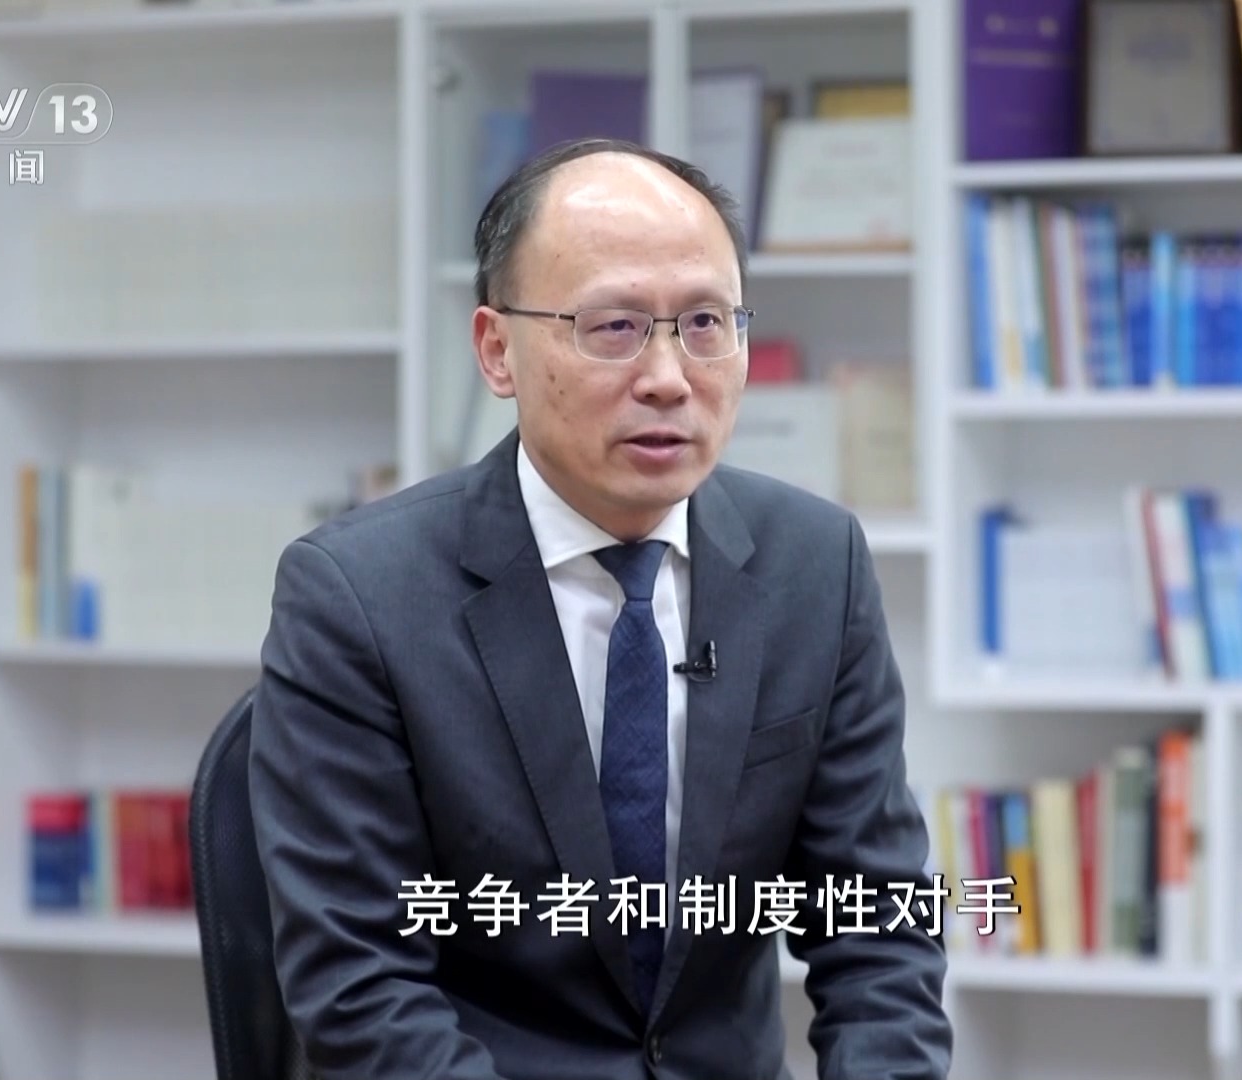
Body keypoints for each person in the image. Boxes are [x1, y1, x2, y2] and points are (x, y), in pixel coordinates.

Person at [249, 137, 952, 1080]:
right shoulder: (357, 595)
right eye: (614, 327)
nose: (669, 376)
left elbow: (880, 932)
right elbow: (359, 985)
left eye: (705, 323)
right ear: (496, 349)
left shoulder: (815, 566)